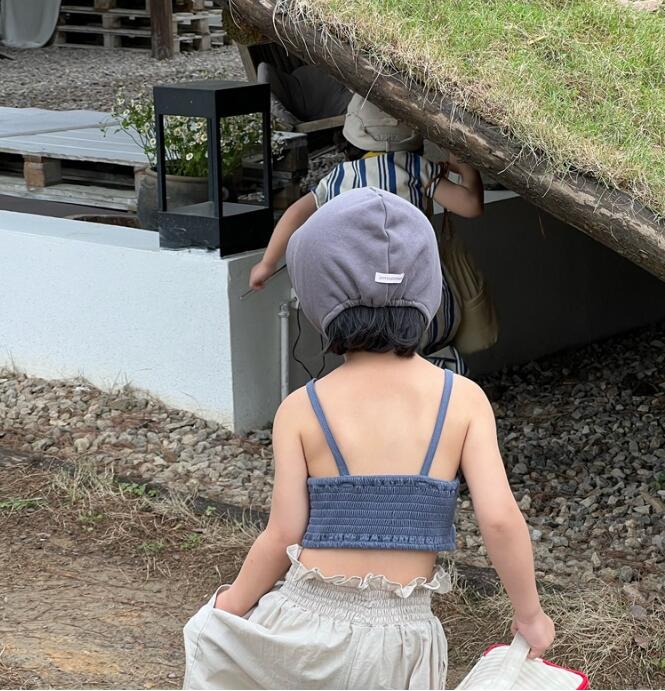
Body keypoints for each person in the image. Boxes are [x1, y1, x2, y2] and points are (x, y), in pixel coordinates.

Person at [183, 188, 554, 690]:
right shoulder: (462, 400)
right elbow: (500, 520)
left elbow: (283, 533)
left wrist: (228, 607)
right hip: (403, 641)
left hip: (304, 623)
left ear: (317, 295)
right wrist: (530, 615)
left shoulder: (302, 408)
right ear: (428, 289)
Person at [249, 94, 485, 373]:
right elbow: (471, 206)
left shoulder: (339, 177)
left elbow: (294, 215)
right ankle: (438, 392)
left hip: (357, 293)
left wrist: (267, 264)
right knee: (426, 350)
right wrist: (464, 165)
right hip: (415, 287)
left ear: (350, 139)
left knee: (371, 358)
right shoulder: (414, 168)